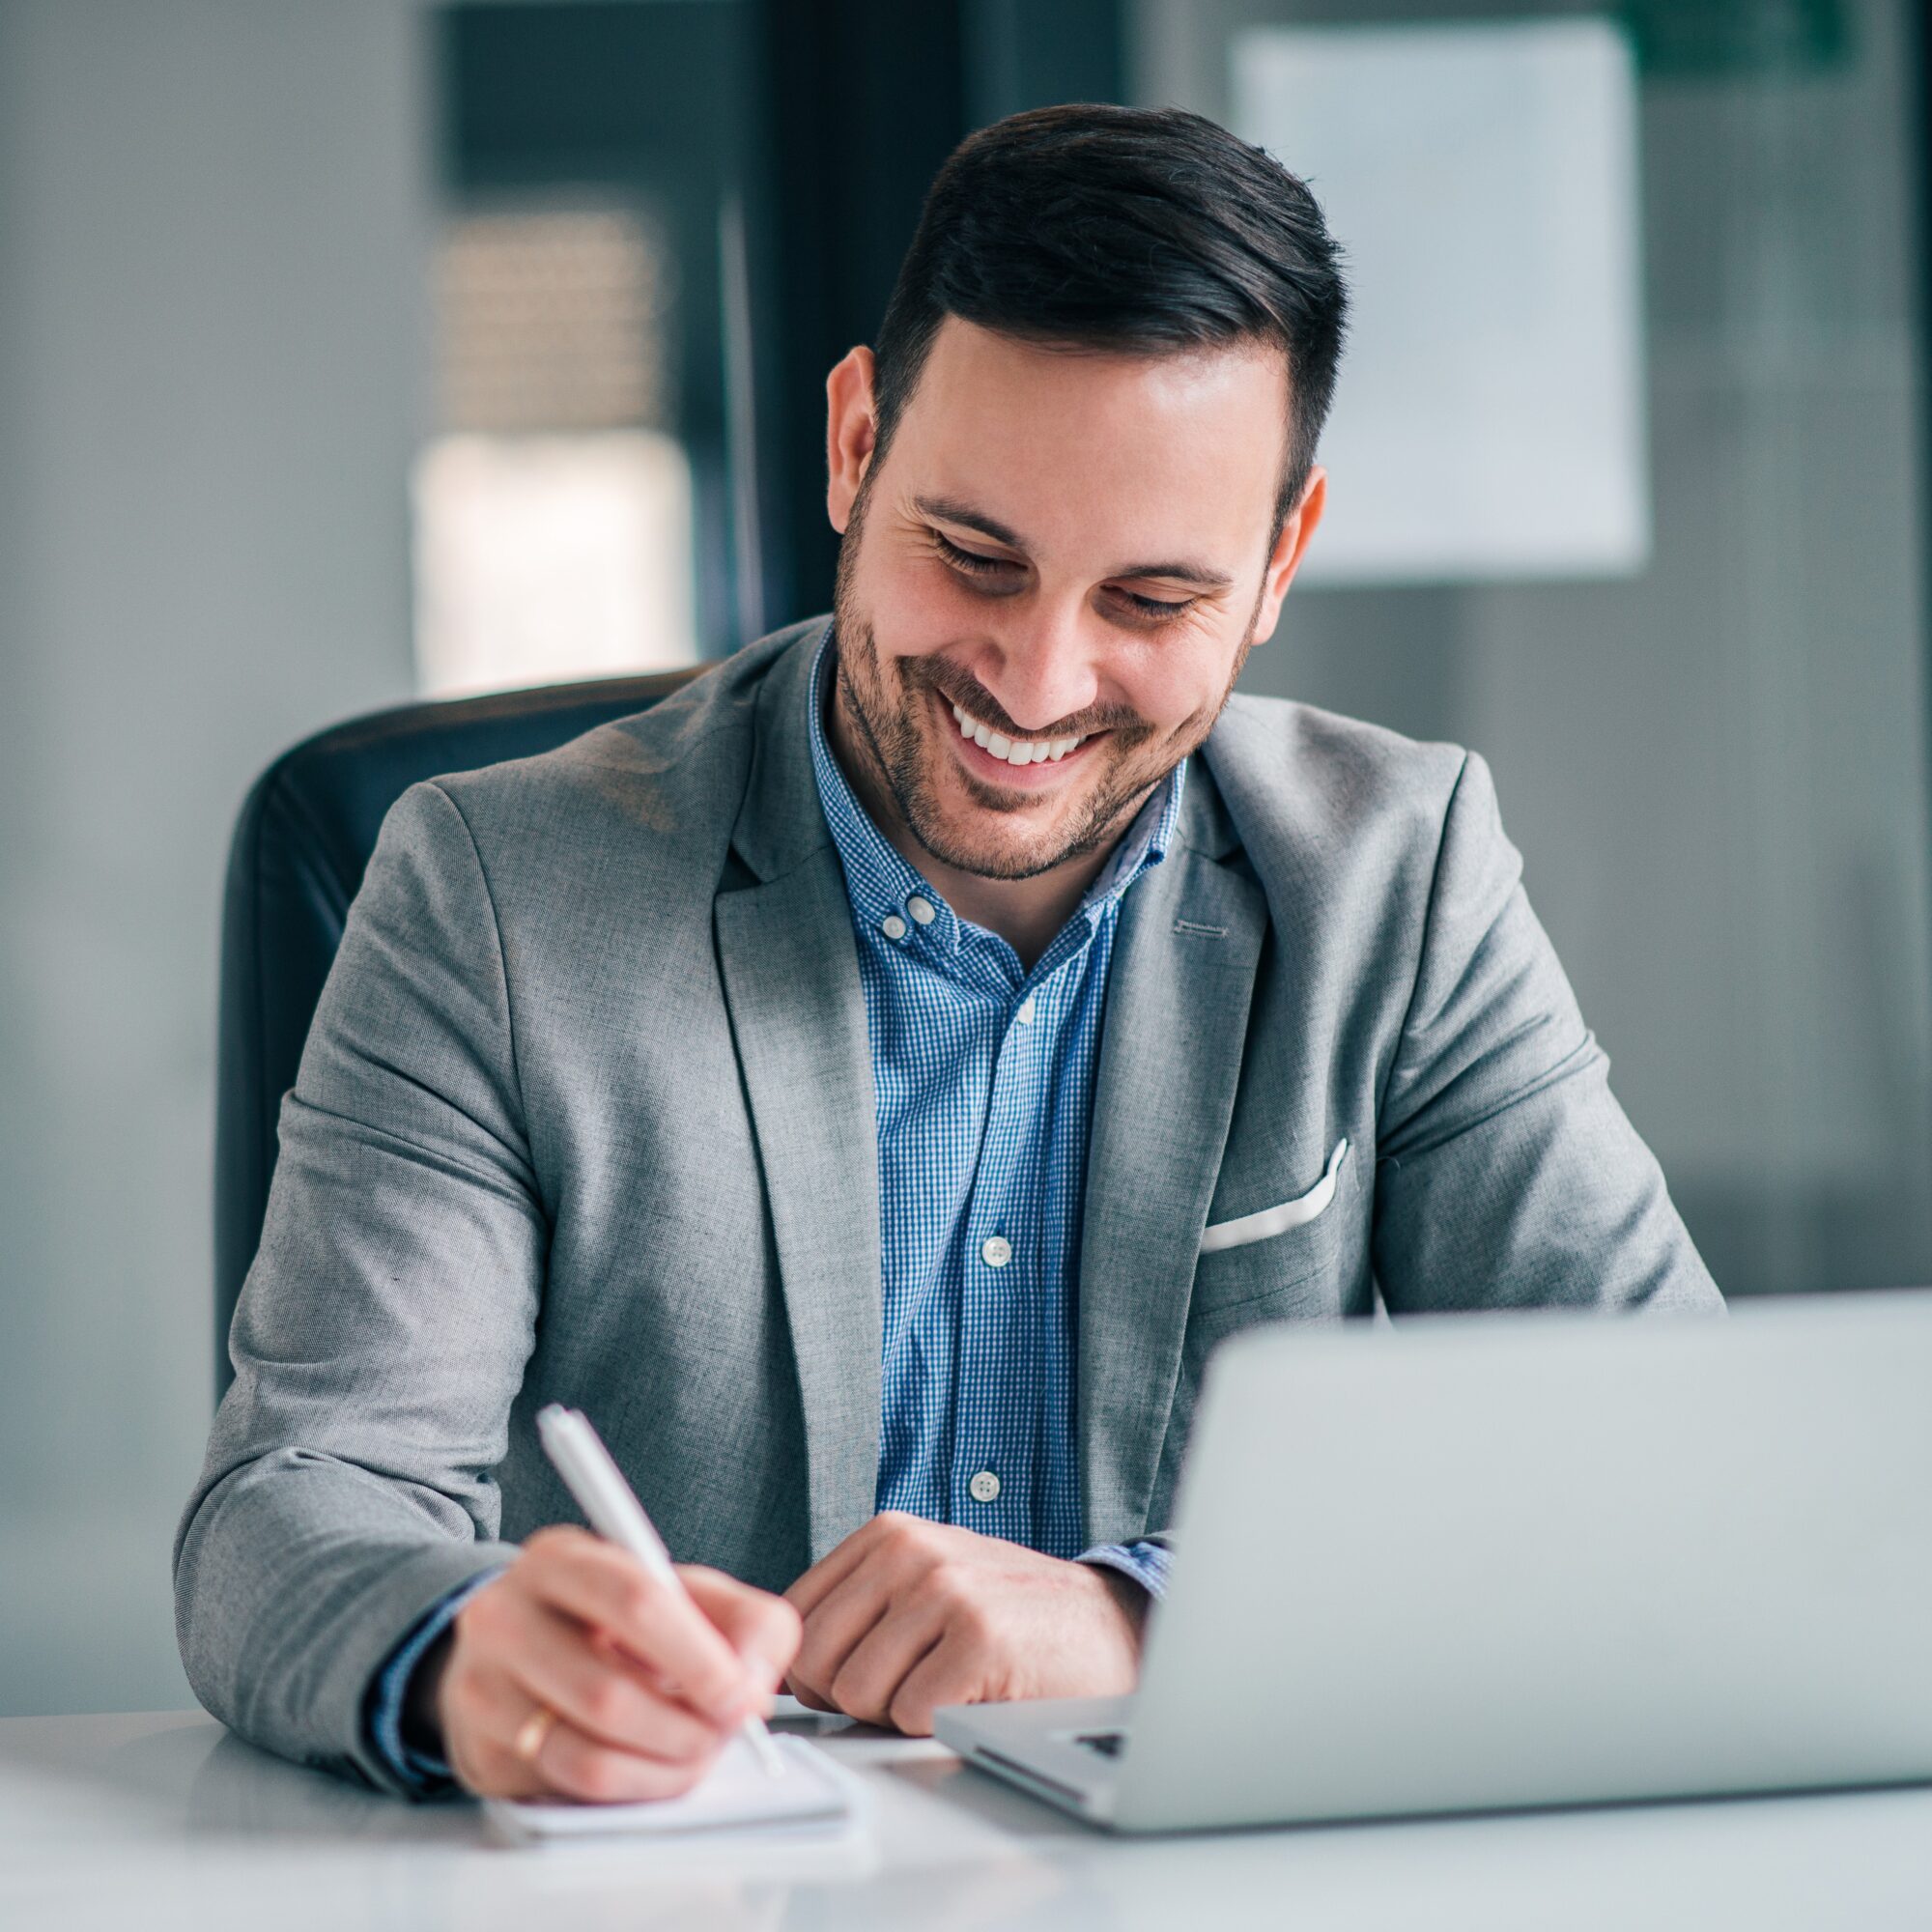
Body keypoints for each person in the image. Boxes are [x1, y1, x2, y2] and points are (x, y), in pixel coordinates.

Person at [174, 102, 1721, 1805]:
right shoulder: (493, 889)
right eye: (972, 557)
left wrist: (1148, 1621)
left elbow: (1672, 1470)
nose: (1039, 684)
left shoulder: (1398, 878)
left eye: (1149, 603)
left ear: (1279, 561)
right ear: (854, 446)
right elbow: (288, 1509)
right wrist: (468, 1652)